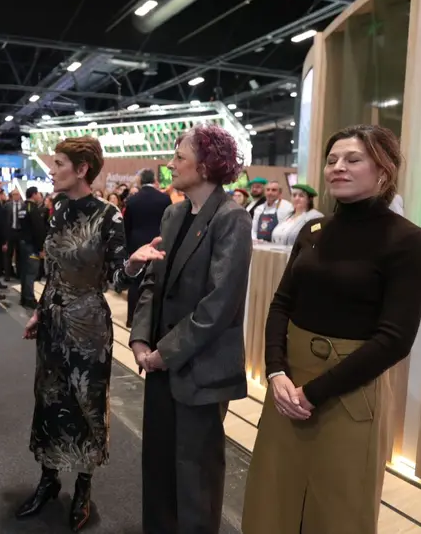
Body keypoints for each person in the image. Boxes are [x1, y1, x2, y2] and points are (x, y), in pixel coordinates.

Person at [242, 125, 421, 534]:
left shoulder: (407, 240)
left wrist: (313, 393)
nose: (338, 168)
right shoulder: (313, 231)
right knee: (272, 501)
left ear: (383, 170)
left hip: (349, 394)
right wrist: (276, 372)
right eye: (331, 160)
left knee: (339, 510)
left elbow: (395, 338)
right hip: (287, 387)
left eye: (352, 159)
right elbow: (281, 305)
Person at [18, 136, 155, 532]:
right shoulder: (57, 209)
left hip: (89, 327)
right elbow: (54, 271)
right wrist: (40, 311)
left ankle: (83, 486)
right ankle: (48, 479)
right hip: (54, 324)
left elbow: (114, 278)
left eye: (59, 162)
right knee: (48, 399)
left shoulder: (108, 215)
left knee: (85, 404)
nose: (52, 168)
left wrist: (131, 263)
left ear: (81, 170)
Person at [128, 125, 252, 534]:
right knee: (159, 465)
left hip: (199, 367)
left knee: (196, 475)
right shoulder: (173, 211)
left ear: (206, 164)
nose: (170, 164)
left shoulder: (231, 217)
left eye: (179, 157)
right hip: (162, 360)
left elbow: (220, 304)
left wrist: (167, 351)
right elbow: (153, 281)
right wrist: (141, 336)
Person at [123, 168, 172, 327]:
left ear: (140, 181)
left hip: (136, 244)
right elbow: (169, 223)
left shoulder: (132, 200)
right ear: (155, 180)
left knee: (135, 283)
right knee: (155, 281)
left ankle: (131, 318)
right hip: (158, 245)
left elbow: (127, 226)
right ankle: (152, 320)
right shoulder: (164, 199)